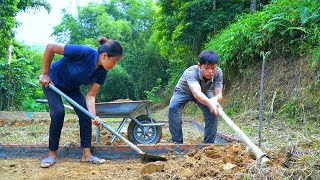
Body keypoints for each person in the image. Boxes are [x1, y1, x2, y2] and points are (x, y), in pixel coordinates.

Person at [38, 37, 123, 168]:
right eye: (115, 61)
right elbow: (51, 47)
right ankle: (51, 155)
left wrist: (93, 116)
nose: (115, 65)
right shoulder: (84, 52)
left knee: (85, 116)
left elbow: (91, 95)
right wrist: (45, 74)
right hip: (52, 82)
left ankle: (86, 155)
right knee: (58, 113)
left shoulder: (102, 72)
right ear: (105, 55)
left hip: (71, 88)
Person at [168, 50, 223, 144]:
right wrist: (210, 103)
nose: (210, 71)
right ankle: (177, 142)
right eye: (206, 68)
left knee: (213, 112)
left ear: (216, 66)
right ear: (199, 66)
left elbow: (219, 94)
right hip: (183, 91)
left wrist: (214, 100)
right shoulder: (191, 72)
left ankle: (209, 144)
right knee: (173, 108)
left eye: (213, 68)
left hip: (204, 91)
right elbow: (196, 92)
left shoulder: (218, 72)